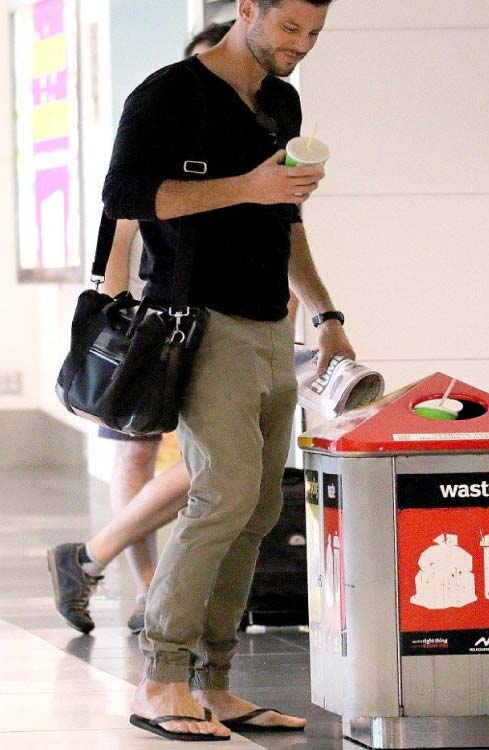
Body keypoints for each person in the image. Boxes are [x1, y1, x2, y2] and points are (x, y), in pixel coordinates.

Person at [101, 0, 356, 740]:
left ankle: (213, 684)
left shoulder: (281, 101)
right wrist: (246, 186)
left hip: (272, 326)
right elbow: (125, 197)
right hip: (200, 323)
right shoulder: (167, 95)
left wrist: (326, 314)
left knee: (259, 508)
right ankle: (160, 679)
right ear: (249, 10)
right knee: (223, 497)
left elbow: (287, 220)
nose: (301, 46)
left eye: (314, 33)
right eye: (289, 28)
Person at [47, 22, 234, 637]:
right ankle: (148, 587)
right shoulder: (156, 132)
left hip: (220, 321)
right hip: (152, 321)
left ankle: (89, 557)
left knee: (218, 459)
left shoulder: (243, 143)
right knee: (136, 450)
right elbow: (119, 224)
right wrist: (113, 315)